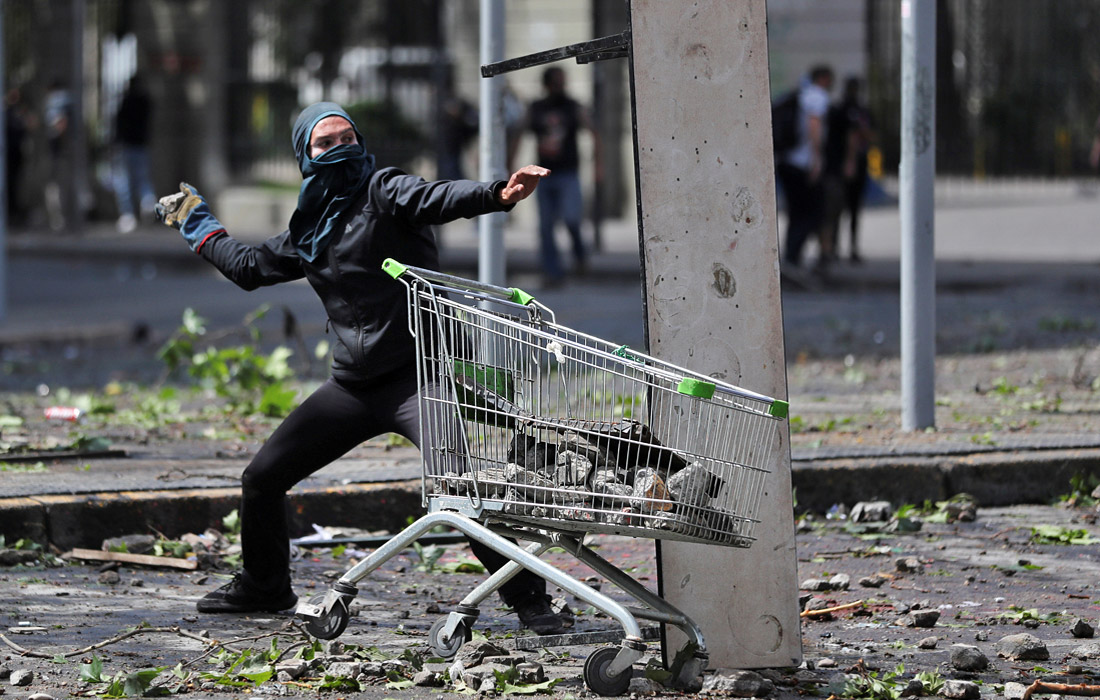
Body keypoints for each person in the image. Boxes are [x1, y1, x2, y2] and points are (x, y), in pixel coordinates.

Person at [155, 102, 566, 635]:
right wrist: (195, 220)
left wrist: (496, 193)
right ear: (305, 155)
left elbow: (434, 197)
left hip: (420, 380)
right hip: (351, 387)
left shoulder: (384, 190)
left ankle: (530, 601)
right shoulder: (309, 231)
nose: (339, 148)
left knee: (457, 489)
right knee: (261, 479)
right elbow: (249, 268)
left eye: (347, 136)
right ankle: (264, 586)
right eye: (325, 142)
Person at [514, 66, 602, 286]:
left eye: (563, 82)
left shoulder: (573, 106)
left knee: (572, 219)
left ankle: (580, 257)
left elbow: (594, 132)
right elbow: (518, 134)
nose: (560, 87)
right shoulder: (536, 108)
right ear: (547, 85)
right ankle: (553, 273)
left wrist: (598, 164)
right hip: (542, 177)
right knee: (545, 226)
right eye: (556, 83)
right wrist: (510, 166)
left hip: (568, 173)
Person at [775, 65, 833, 274]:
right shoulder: (817, 96)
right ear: (823, 78)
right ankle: (792, 257)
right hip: (802, 165)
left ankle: (791, 258)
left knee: (797, 213)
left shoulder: (801, 95)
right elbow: (815, 126)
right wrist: (817, 161)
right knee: (812, 214)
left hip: (787, 163)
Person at [821, 76, 874, 265]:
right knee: (838, 209)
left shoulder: (859, 111)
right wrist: (850, 161)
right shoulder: (841, 110)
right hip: (845, 166)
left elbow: (868, 135)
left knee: (848, 210)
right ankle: (836, 248)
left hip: (852, 166)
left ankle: (846, 248)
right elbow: (852, 136)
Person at [113, 75, 156, 233]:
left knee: (124, 181)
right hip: (141, 145)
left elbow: (119, 122)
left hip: (128, 145)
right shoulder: (145, 101)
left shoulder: (127, 101)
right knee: (142, 178)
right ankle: (147, 203)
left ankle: (128, 214)